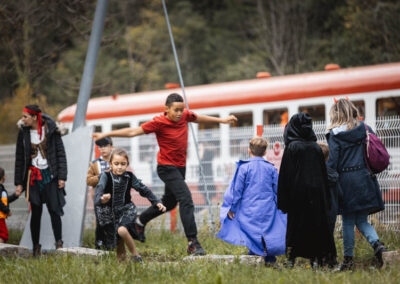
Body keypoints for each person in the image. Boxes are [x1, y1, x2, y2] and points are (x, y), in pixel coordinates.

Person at [93, 93, 237, 255]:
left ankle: (139, 222)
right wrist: (106, 135)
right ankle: (193, 242)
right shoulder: (159, 122)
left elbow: (198, 118)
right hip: (166, 167)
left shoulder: (184, 116)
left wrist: (222, 121)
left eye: (181, 110)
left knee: (169, 202)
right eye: (175, 110)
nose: (179, 113)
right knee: (186, 199)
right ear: (166, 109)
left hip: (179, 168)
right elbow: (134, 132)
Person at [326, 98, 386, 270]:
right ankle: (378, 247)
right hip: (365, 178)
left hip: (346, 182)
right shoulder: (365, 129)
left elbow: (333, 163)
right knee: (361, 219)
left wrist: (327, 178)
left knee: (347, 221)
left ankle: (348, 261)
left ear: (336, 114)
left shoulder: (335, 135)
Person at [277, 112, 336, 269]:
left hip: (298, 195)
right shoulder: (316, 148)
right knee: (315, 227)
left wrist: (283, 200)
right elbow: (323, 175)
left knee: (295, 228)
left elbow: (286, 175)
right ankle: (315, 261)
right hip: (317, 195)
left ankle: (291, 260)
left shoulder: (292, 147)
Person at [217, 137, 287, 265]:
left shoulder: (244, 168)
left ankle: (254, 254)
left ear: (249, 150)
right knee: (267, 231)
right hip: (267, 208)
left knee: (250, 231)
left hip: (248, 208)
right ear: (265, 152)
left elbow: (237, 190)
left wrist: (232, 208)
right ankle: (269, 258)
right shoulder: (271, 168)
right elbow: (277, 189)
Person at [94, 148, 166, 262]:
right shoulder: (105, 176)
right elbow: (99, 189)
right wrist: (101, 198)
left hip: (126, 210)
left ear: (127, 164)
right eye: (116, 164)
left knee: (122, 230)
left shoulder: (129, 177)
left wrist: (156, 201)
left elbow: (144, 189)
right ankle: (123, 268)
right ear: (111, 164)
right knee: (118, 244)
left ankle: (136, 256)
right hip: (109, 214)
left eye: (123, 164)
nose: (119, 167)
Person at [14, 105, 67, 256]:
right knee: (35, 212)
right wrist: (19, 182)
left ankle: (59, 244)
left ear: (34, 117)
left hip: (51, 175)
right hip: (33, 177)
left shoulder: (51, 130)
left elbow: (60, 154)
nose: (22, 119)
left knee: (54, 210)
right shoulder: (23, 133)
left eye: (25, 116)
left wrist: (62, 176)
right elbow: (19, 158)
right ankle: (36, 247)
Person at [87, 137, 114, 249]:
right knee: (100, 220)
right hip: (100, 196)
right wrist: (101, 176)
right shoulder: (94, 164)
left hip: (114, 196)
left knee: (113, 219)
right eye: (100, 147)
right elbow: (88, 180)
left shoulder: (116, 161)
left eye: (105, 146)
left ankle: (112, 244)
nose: (102, 149)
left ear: (111, 147)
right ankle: (99, 243)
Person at [318, 142, 340, 267]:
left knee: (318, 235)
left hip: (320, 209)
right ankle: (332, 260)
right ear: (327, 157)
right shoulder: (333, 173)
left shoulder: (315, 174)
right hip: (332, 209)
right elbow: (340, 193)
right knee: (329, 236)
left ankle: (320, 260)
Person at [0, 167, 21, 243]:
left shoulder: (2, 188)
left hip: (1, 217)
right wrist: (7, 211)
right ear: (4, 177)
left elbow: (5, 200)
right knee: (4, 235)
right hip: (0, 217)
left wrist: (15, 195)